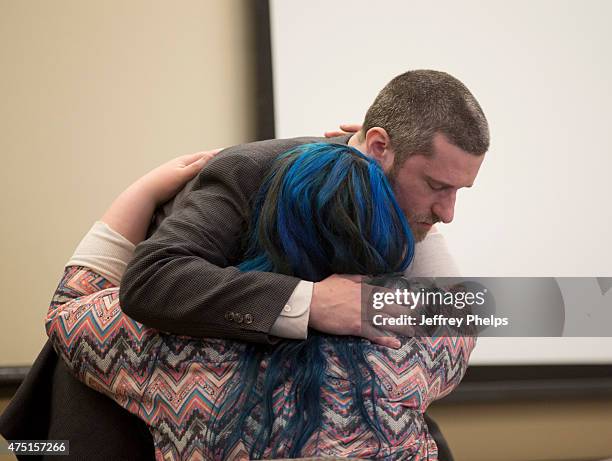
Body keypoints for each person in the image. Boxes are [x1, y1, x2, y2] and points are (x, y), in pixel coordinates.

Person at [45, 143, 476, 459]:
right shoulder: (415, 339)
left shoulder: (168, 347)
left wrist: (142, 189)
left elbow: (67, 309)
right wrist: (414, 214)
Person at [119, 69, 489, 349]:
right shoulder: (248, 170)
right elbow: (151, 280)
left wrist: (418, 205)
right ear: (378, 145)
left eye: (458, 190)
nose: (448, 213)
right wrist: (309, 302)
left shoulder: (399, 180)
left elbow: (456, 323)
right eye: (437, 186)